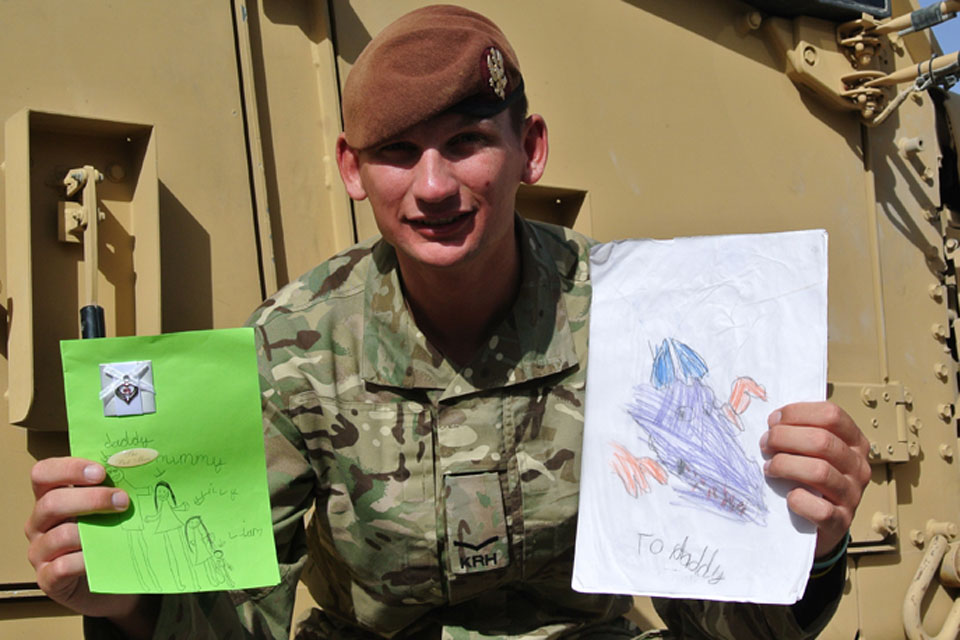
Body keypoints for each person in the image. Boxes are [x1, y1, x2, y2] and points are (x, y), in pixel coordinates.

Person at [24, 5, 871, 639]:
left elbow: (721, 625)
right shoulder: (293, 349)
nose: (432, 186)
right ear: (354, 171)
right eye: (397, 152)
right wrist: (130, 602)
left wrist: (814, 541)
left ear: (529, 148)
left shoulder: (639, 325)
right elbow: (235, 620)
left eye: (466, 140)